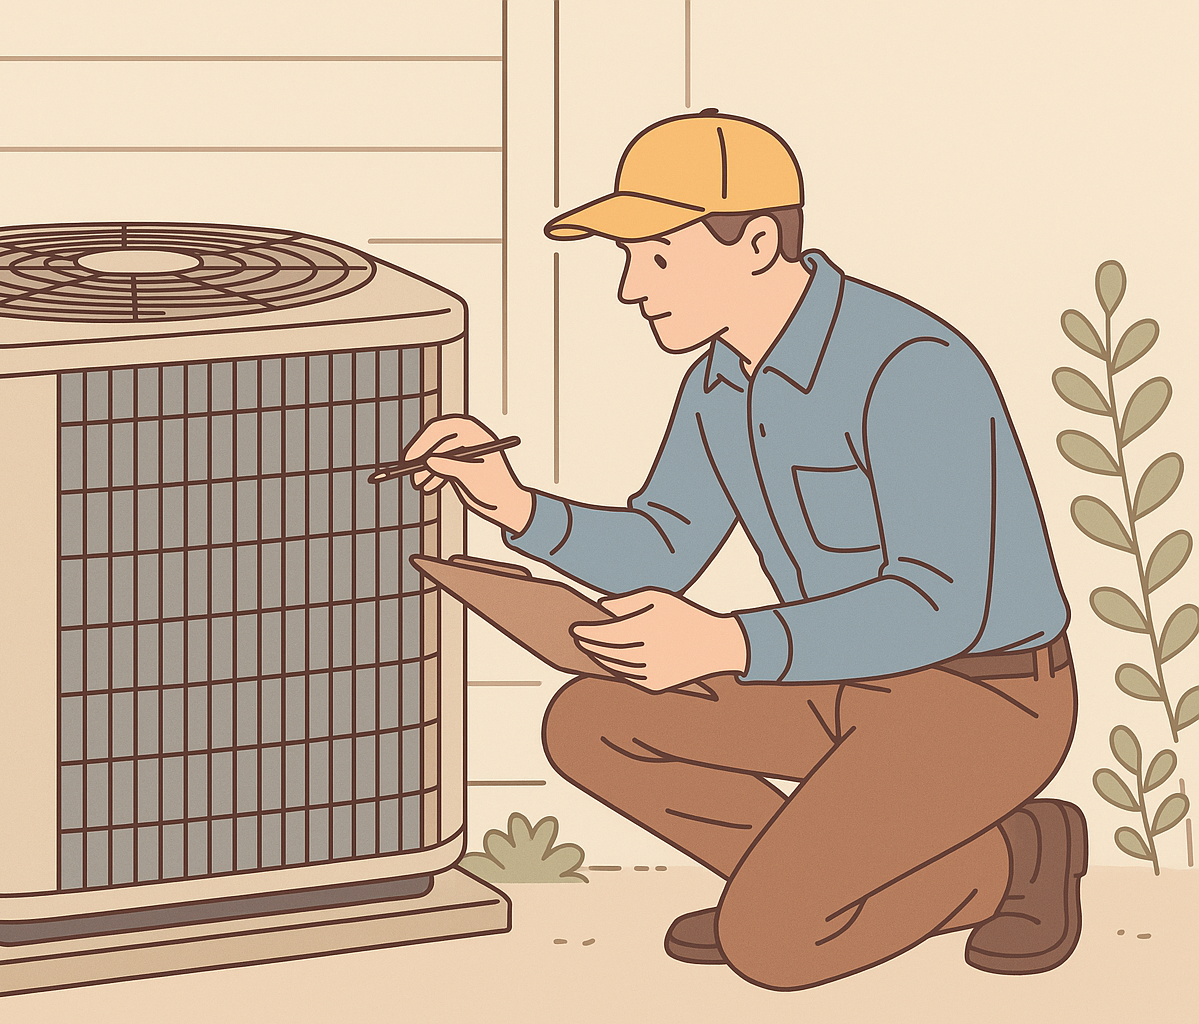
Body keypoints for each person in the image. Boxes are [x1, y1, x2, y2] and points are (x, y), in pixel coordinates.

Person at [402, 109, 1086, 990]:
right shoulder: (719, 382)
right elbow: (664, 543)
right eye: (627, 260)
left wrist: (729, 642)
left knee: (776, 946)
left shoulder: (912, 365)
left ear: (757, 242)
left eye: (656, 255)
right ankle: (792, 887)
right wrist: (515, 503)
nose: (629, 288)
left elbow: (939, 603)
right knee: (590, 723)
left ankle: (1017, 856)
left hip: (982, 700)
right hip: (830, 683)